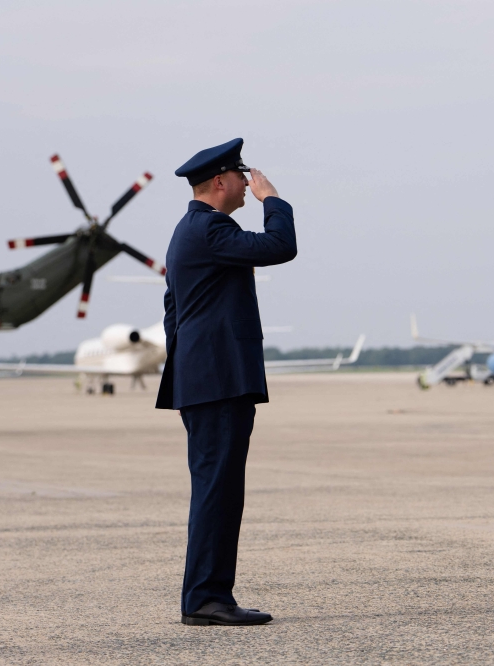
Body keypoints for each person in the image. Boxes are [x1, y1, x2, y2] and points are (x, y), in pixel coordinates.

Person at [156, 138, 298, 626]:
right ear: (220, 181)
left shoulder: (188, 231)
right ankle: (205, 599)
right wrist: (273, 200)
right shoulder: (211, 228)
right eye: (241, 177)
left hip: (205, 382)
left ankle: (209, 595)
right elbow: (280, 247)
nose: (246, 183)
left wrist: (184, 376)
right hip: (216, 383)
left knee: (217, 488)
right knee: (218, 490)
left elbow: (172, 310)